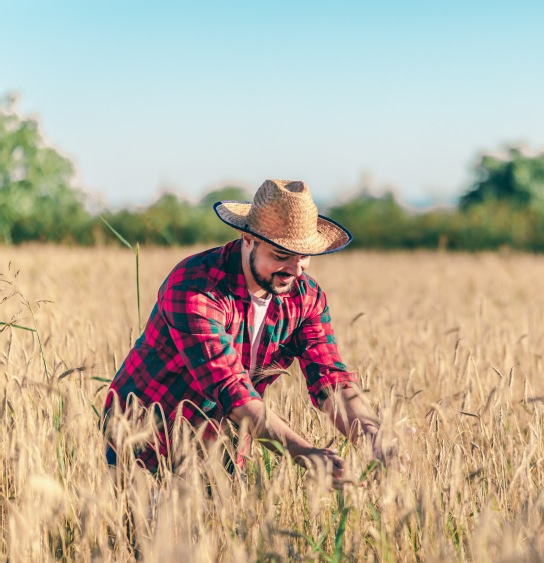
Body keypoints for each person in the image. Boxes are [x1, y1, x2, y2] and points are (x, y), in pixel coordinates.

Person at [104, 179, 382, 484]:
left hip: (224, 440)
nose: (296, 270)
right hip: (145, 436)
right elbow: (231, 390)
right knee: (146, 528)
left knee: (214, 528)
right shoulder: (194, 286)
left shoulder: (306, 296)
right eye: (281, 255)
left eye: (303, 256)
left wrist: (372, 436)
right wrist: (305, 454)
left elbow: (331, 381)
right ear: (247, 239)